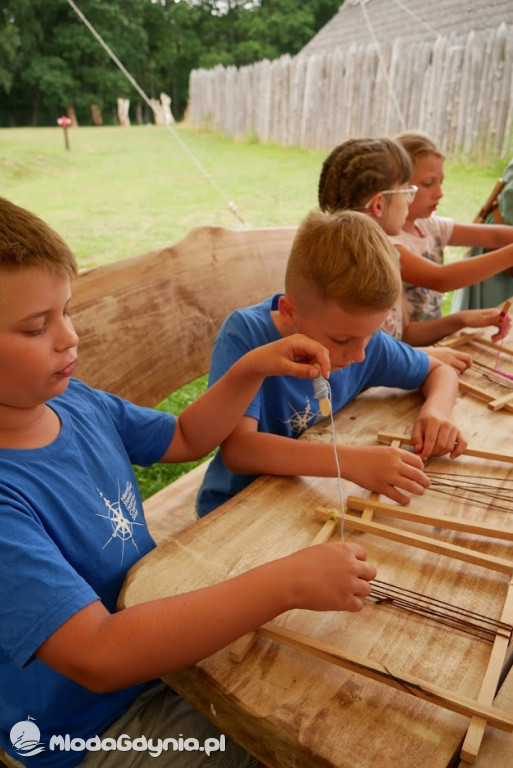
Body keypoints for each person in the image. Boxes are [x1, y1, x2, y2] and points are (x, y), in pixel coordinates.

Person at [0, 196, 378, 768]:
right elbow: (97, 653)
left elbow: (183, 438)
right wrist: (286, 584)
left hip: (162, 645)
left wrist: (253, 366)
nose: (68, 339)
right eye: (37, 327)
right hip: (91, 724)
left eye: (67, 312)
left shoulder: (75, 402)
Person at [196, 208, 466, 518]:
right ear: (288, 311)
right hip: (236, 511)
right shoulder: (247, 336)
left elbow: (439, 369)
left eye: (371, 334)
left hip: (309, 502)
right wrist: (348, 461)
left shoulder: (360, 339)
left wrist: (436, 412)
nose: (360, 355)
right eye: (341, 340)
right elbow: (240, 450)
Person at [318, 137, 512, 371]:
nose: (409, 201)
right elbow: (364, 363)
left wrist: (460, 320)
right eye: (407, 191)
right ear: (379, 204)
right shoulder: (363, 263)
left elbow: (404, 334)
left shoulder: (383, 258)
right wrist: (420, 357)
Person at [393, 131, 513, 321]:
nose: (440, 193)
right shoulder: (389, 242)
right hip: (405, 347)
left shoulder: (430, 225)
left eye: (441, 182)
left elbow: (494, 237)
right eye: (428, 184)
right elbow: (440, 279)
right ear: (396, 184)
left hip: (432, 342)